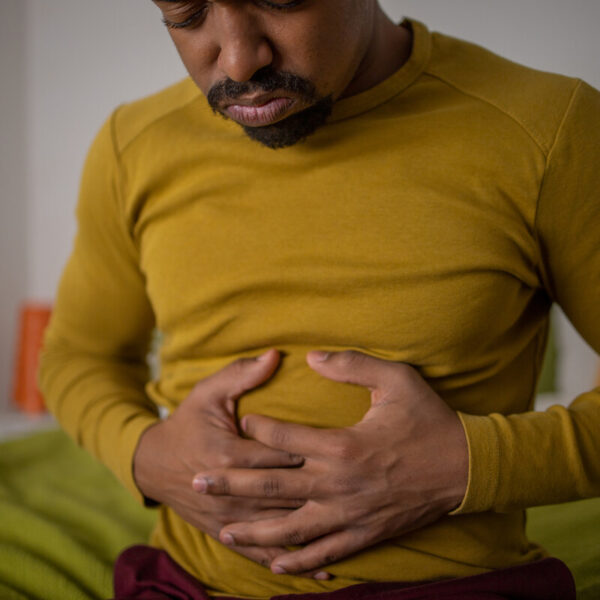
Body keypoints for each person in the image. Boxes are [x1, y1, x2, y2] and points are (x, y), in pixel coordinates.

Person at [39, 1, 599, 598]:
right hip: (188, 584)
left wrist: (466, 467)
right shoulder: (134, 146)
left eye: (281, 1)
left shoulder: (551, 128)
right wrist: (146, 456)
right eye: (187, 12)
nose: (237, 59)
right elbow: (78, 355)